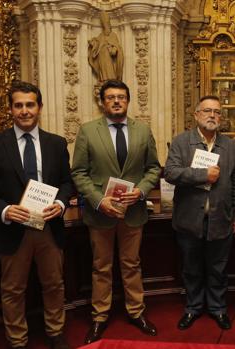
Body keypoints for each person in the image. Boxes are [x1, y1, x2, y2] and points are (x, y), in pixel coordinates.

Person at [0, 81, 73, 349]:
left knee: (54, 284)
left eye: (30, 104)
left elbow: (67, 182)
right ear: (11, 109)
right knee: (13, 290)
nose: (25, 111)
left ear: (39, 107)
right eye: (19, 105)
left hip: (49, 228)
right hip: (12, 230)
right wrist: (5, 209)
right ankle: (18, 340)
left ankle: (55, 331)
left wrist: (61, 204)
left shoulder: (56, 143)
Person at [72, 79, 160, 344]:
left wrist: (142, 191)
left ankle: (137, 311)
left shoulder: (143, 131)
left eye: (121, 97)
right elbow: (79, 172)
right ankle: (99, 316)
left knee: (132, 264)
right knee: (101, 266)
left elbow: (153, 168)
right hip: (101, 214)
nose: (116, 101)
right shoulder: (88, 131)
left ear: (128, 100)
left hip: (132, 212)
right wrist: (99, 200)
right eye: (110, 97)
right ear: (102, 102)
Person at [163, 95, 235, 331]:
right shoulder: (181, 142)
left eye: (217, 112)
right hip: (189, 220)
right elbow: (170, 173)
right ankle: (193, 307)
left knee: (218, 268)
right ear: (196, 114)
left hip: (221, 220)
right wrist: (202, 175)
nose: (212, 115)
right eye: (207, 111)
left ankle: (218, 309)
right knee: (191, 268)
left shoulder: (229, 146)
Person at [88, 11, 124, 82]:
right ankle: (103, 79)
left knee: (109, 70)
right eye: (103, 23)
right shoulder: (101, 35)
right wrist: (93, 43)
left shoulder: (113, 35)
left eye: (106, 23)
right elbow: (97, 43)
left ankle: (111, 79)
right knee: (103, 71)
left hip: (108, 56)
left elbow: (117, 46)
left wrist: (114, 49)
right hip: (101, 57)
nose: (105, 25)